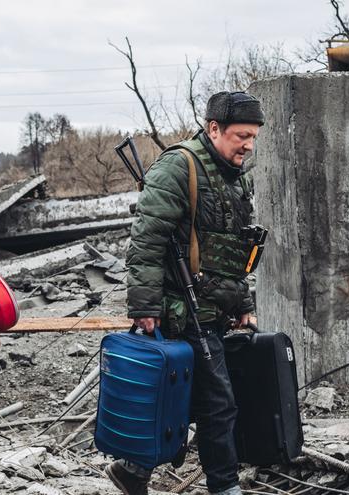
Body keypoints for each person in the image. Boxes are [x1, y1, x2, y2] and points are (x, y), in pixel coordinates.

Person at [108, 92, 265, 495]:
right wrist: (144, 305)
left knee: (184, 398)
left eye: (253, 137)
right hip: (182, 308)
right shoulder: (179, 167)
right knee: (218, 404)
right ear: (214, 129)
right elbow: (145, 241)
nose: (248, 145)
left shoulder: (237, 176)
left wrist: (243, 303)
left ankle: (134, 470)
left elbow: (237, 250)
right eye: (240, 136)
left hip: (215, 306)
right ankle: (225, 487)